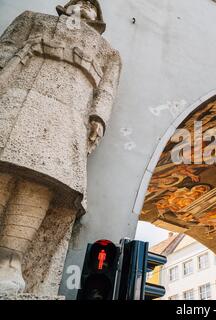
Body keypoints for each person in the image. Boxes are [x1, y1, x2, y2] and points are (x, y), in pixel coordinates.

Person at [0, 0, 121, 294]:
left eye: (91, 5)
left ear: (98, 19)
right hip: (16, 97)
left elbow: (106, 89)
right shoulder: (31, 19)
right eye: (77, 1)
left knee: (43, 181)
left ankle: (10, 260)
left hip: (68, 113)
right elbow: (5, 49)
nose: (83, 6)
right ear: (63, 7)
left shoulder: (109, 52)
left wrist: (98, 118)